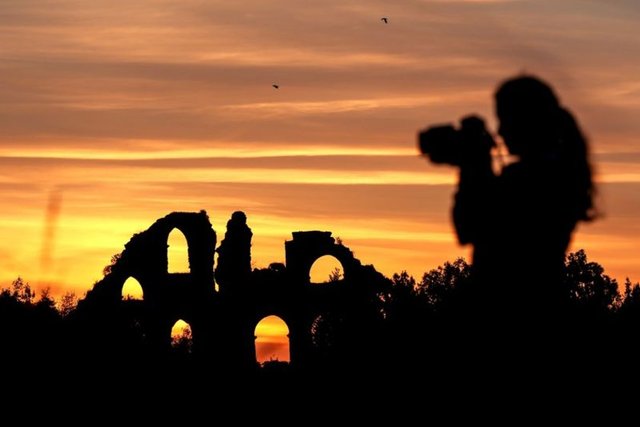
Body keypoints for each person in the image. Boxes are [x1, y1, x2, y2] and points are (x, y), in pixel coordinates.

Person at [420, 75, 595, 335]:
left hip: (514, 313)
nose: (500, 131)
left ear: (526, 121)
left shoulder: (539, 179)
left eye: (504, 119)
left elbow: (470, 226)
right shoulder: (556, 173)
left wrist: (475, 165)